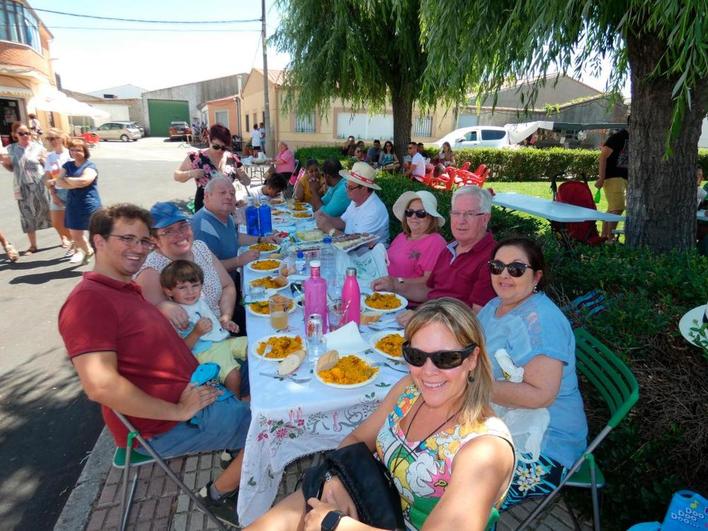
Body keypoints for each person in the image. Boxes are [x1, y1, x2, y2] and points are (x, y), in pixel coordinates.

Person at [245, 297, 515, 531]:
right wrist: (336, 478)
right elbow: (355, 439)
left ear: (472, 359)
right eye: (416, 356)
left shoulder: (485, 449)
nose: (428, 371)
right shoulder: (409, 391)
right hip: (370, 499)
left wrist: (336, 524)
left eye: (446, 359)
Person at [58, 204, 249, 526]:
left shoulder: (126, 288)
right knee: (274, 423)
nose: (138, 249)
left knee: (270, 374)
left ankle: (237, 452)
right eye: (127, 239)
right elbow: (100, 385)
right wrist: (178, 411)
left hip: (199, 390)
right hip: (167, 424)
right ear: (99, 241)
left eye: (144, 241)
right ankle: (218, 495)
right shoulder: (88, 301)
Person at [477, 237, 588, 508]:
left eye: (515, 269)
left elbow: (540, 396)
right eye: (497, 267)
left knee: (464, 492)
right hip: (499, 419)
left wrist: (469, 385)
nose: (504, 275)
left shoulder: (542, 322)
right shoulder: (495, 306)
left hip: (545, 444)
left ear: (536, 276)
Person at [377, 186, 496, 326]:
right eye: (456, 213)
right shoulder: (449, 250)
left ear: (485, 219)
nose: (461, 220)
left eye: (469, 214)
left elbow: (478, 317)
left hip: (448, 334)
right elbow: (430, 290)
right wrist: (394, 285)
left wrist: (425, 318)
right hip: (424, 318)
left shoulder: (493, 258)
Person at [134, 202, 238, 344]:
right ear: (154, 240)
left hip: (222, 331)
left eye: (183, 225)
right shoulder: (151, 272)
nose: (180, 234)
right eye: (169, 231)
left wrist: (225, 316)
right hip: (198, 350)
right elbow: (156, 330)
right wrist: (162, 306)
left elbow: (228, 286)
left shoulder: (200, 248)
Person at [160, 260, 247, 397]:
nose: (190, 292)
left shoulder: (199, 301)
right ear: (169, 291)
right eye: (182, 288)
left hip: (223, 341)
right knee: (233, 375)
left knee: (252, 345)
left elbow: (212, 322)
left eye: (195, 285)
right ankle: (237, 402)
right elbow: (181, 350)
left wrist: (224, 324)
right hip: (205, 351)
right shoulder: (176, 314)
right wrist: (196, 333)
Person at [372, 190, 447, 290]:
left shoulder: (435, 242)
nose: (413, 217)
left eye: (421, 213)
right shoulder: (402, 236)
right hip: (384, 291)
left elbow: (429, 280)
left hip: (406, 300)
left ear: (431, 217)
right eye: (409, 212)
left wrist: (397, 282)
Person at [173, 124, 250, 212]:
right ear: (209, 140)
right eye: (216, 147)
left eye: (224, 148)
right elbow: (176, 176)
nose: (220, 151)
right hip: (205, 207)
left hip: (227, 207)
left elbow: (247, 182)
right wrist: (191, 173)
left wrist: (242, 175)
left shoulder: (232, 158)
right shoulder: (196, 157)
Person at [1, 121, 51, 255]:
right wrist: (5, 164)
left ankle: (65, 238)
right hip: (21, 186)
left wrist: (46, 162)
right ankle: (33, 245)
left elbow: (48, 167)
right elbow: (12, 169)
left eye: (27, 133)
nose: (25, 135)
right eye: (21, 133)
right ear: (14, 135)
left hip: (40, 184)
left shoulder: (38, 147)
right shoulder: (10, 149)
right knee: (26, 215)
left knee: (50, 211)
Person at [314, 161, 389, 244]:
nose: (346, 190)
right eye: (347, 185)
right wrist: (325, 217)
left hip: (365, 255)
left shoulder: (374, 211)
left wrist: (330, 229)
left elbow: (356, 243)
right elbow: (343, 222)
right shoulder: (356, 200)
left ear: (364, 189)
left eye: (350, 187)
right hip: (352, 253)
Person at [57, 138, 101, 265]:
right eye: (72, 149)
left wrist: (67, 179)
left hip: (89, 204)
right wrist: (73, 183)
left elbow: (85, 181)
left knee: (96, 235)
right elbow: (58, 182)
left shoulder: (90, 166)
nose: (75, 152)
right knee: (75, 234)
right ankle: (88, 251)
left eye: (78, 150)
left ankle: (102, 264)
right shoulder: (67, 165)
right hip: (73, 204)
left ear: (85, 151)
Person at [595, 123, 629, 241]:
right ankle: (610, 238)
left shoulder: (637, 138)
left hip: (626, 178)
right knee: (618, 207)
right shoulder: (618, 137)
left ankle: (604, 237)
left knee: (612, 209)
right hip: (613, 176)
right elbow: (603, 156)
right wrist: (601, 177)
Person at [43, 128, 73, 252]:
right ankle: (74, 241)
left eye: (55, 138)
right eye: (50, 139)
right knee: (56, 223)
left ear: (62, 138)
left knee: (70, 222)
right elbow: (47, 177)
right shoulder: (49, 157)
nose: (53, 141)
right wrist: (53, 193)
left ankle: (77, 245)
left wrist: (56, 180)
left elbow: (74, 175)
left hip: (71, 191)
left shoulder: (70, 154)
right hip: (57, 192)